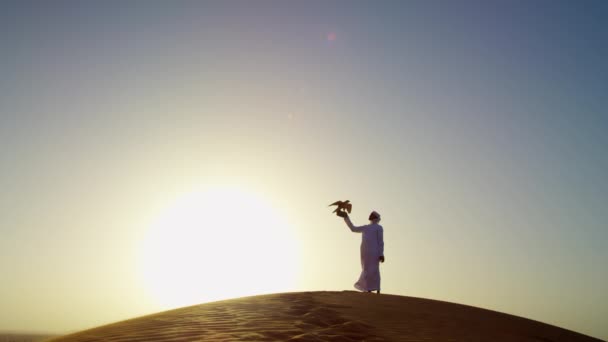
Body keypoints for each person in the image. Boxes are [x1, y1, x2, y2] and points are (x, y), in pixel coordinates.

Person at [337, 210, 384, 293]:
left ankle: (377, 289)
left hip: (373, 252)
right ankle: (369, 289)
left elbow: (380, 242)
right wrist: (346, 217)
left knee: (374, 270)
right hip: (366, 252)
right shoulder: (367, 227)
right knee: (367, 269)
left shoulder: (378, 227)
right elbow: (353, 229)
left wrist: (381, 254)